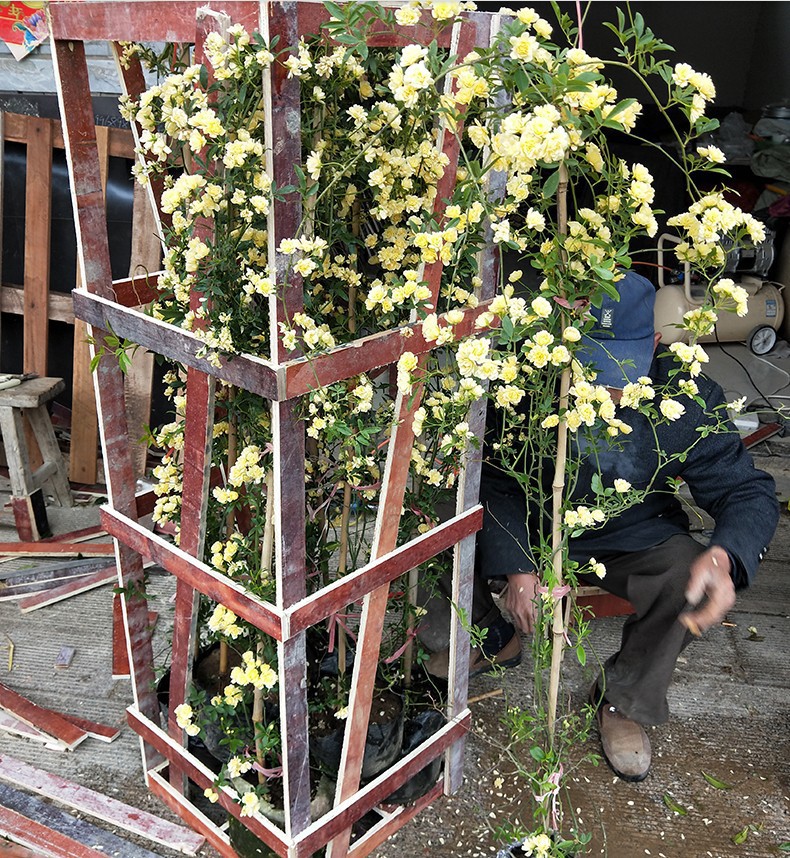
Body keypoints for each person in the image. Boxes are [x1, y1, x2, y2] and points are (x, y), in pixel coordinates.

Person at [425, 270, 779, 782]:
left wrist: (725, 556)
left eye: (622, 373)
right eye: (589, 371)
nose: (606, 392)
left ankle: (622, 697)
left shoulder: (688, 394)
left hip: (629, 534)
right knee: (446, 507)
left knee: (689, 579)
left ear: (655, 344)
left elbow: (745, 489)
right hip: (533, 521)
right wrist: (520, 567)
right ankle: (493, 635)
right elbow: (497, 478)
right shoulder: (522, 383)